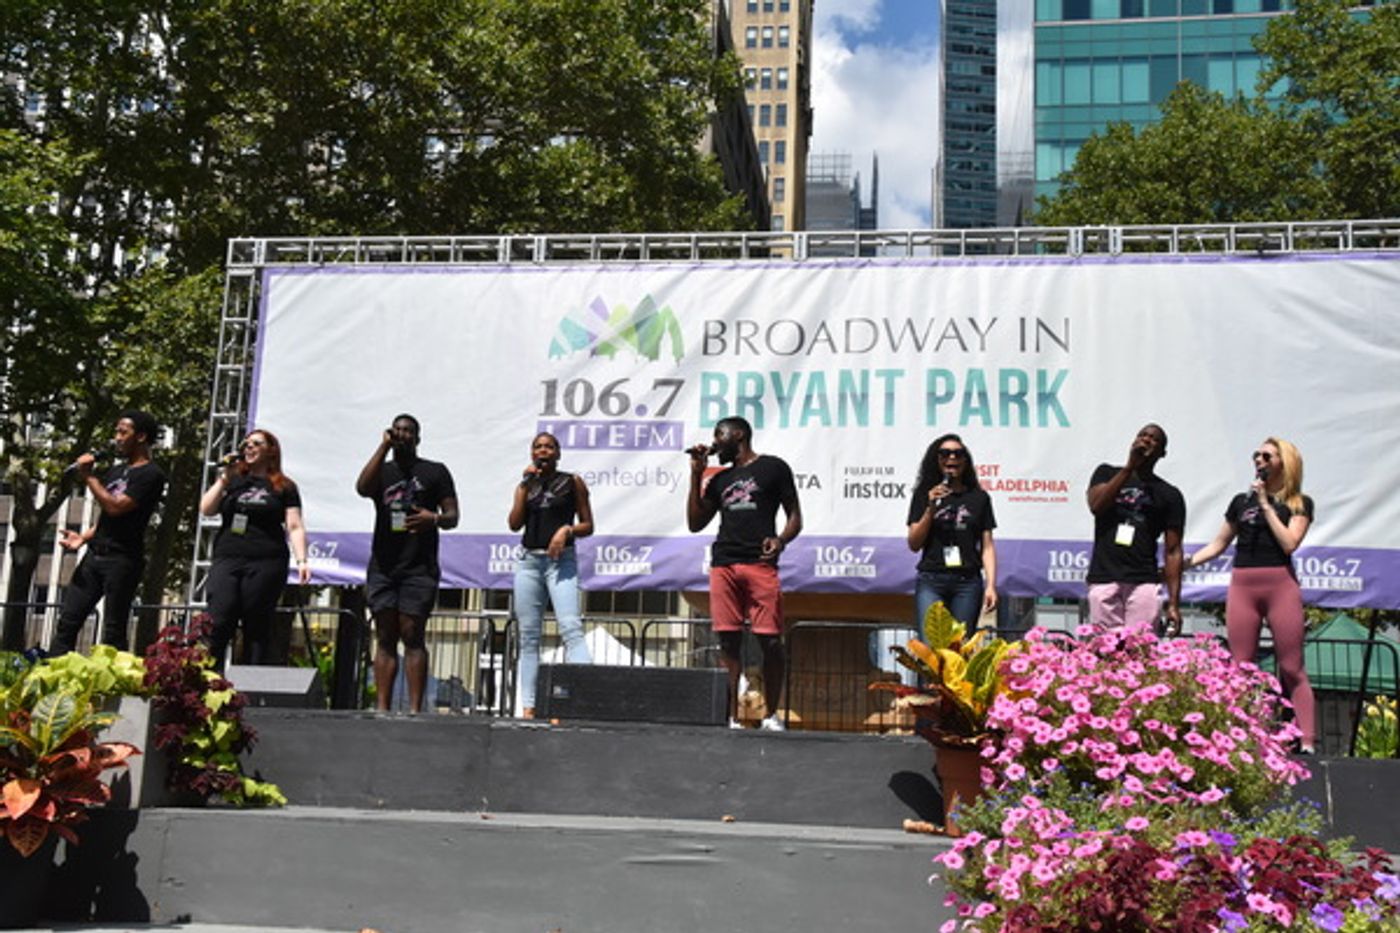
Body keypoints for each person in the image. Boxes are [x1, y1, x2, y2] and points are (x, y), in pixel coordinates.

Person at [1186, 437, 1316, 753]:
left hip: (1280, 585)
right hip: (1243, 585)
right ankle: (1244, 735)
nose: (1259, 460)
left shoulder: (1299, 503)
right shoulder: (1240, 503)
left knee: (1291, 667)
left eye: (1267, 456)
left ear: (1284, 462)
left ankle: (1308, 740)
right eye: (1256, 455)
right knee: (1241, 665)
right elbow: (1218, 545)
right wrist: (1183, 564)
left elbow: (1289, 543)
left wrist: (1267, 505)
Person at [687, 417, 802, 731]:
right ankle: (732, 717)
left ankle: (771, 715)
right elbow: (695, 522)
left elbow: (795, 516)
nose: (714, 442)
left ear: (737, 434)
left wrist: (780, 540)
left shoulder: (773, 468)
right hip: (724, 563)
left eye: (718, 435)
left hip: (759, 564)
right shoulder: (720, 480)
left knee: (770, 642)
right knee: (728, 641)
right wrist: (696, 474)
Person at [355, 414, 458, 713]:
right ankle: (382, 708)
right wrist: (382, 447)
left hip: (419, 567)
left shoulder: (435, 472)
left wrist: (433, 518)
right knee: (385, 636)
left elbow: (453, 517)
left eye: (408, 431)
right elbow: (362, 488)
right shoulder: (382, 472)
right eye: (397, 430)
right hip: (384, 566)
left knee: (413, 633)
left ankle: (415, 710)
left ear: (418, 437)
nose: (402, 434)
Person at [50, 410, 167, 655]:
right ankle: (53, 677)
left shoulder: (151, 475)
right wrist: (83, 537)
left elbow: (116, 507)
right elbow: (106, 518)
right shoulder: (115, 471)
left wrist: (89, 477)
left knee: (114, 629)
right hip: (94, 556)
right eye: (116, 432)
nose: (117, 438)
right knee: (68, 622)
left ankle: (113, 686)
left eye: (123, 432)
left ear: (142, 437)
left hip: (122, 559)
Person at [199, 429, 310, 669]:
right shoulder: (234, 480)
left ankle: (249, 687)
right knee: (219, 618)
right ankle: (209, 682)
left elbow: (294, 525)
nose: (248, 448)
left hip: (265, 561)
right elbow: (206, 509)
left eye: (256, 444)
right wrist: (223, 479)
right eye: (246, 444)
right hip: (228, 557)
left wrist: (302, 560)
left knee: (256, 624)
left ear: (271, 451)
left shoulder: (284, 486)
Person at [507, 432, 595, 718]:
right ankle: (529, 707)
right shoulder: (526, 486)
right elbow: (514, 523)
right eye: (538, 447)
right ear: (532, 454)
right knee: (529, 637)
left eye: (549, 447)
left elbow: (588, 524)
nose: (543, 451)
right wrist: (523, 487)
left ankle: (582, 701)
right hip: (529, 562)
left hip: (561, 562)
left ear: (557, 453)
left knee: (570, 627)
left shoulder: (571, 482)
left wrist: (566, 530)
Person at [1085, 423, 1185, 633]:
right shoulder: (1106, 473)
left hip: (1143, 581)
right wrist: (1129, 468)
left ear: (1162, 453)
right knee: (1106, 653)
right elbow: (1096, 505)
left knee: (1141, 652)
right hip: (1104, 577)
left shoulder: (1170, 494)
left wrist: (1174, 603)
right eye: (1142, 435)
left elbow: (1173, 550)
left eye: (1154, 438)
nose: (1147, 439)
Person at [906, 434, 998, 629]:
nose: (952, 458)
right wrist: (931, 508)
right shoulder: (924, 494)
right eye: (945, 454)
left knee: (960, 649)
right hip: (932, 580)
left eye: (958, 454)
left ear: (965, 460)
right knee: (932, 648)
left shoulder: (979, 498)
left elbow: (987, 546)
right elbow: (914, 543)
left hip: (967, 582)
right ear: (936, 460)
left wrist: (991, 585)